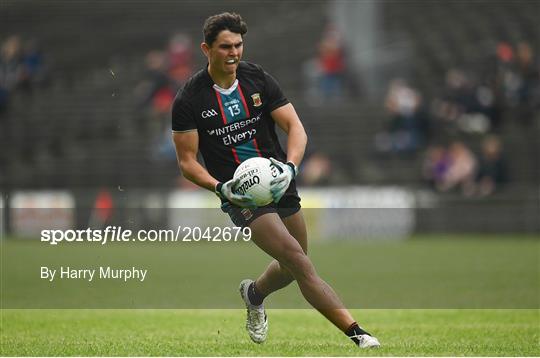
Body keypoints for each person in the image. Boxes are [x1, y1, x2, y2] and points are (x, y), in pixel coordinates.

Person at [171, 12, 380, 348]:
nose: (234, 53)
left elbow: (295, 128)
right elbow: (187, 162)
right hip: (242, 195)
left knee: (291, 264)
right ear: (206, 49)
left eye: (238, 45)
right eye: (225, 47)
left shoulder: (257, 79)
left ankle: (254, 294)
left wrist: (292, 168)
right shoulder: (189, 99)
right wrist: (220, 188)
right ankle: (358, 334)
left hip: (279, 179)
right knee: (299, 262)